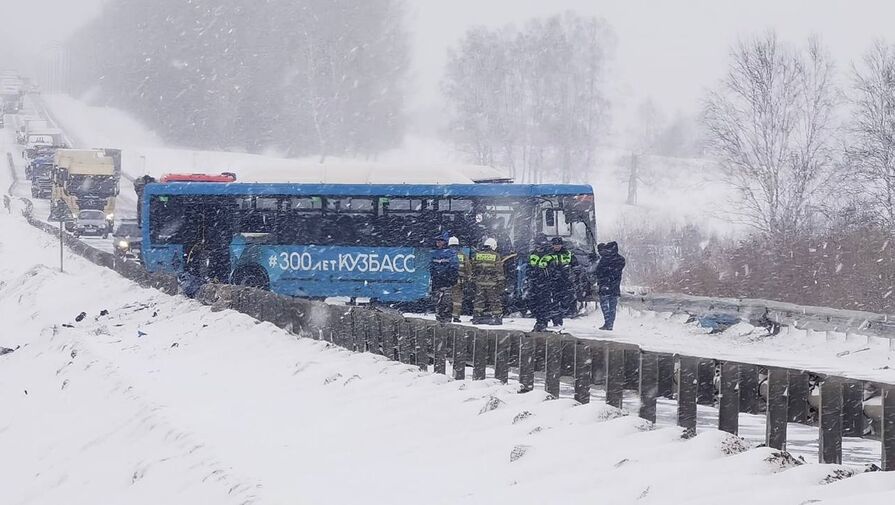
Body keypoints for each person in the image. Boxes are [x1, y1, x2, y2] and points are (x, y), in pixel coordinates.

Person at [471, 237, 504, 325]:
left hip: (480, 281)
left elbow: (473, 268)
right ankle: (497, 317)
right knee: (494, 300)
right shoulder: (495, 255)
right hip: (491, 282)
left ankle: (477, 317)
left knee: (479, 300)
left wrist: (473, 279)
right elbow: (499, 270)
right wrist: (501, 282)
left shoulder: (478, 255)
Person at [595, 241, 626, 330]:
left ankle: (608, 323)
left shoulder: (608, 259)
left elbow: (600, 271)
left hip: (608, 285)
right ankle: (609, 323)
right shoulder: (619, 259)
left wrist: (604, 278)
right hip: (613, 285)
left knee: (607, 305)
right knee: (611, 306)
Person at [430, 232, 459, 323]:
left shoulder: (451, 253)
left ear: (445, 242)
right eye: (437, 241)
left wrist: (451, 277)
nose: (438, 243)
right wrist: (434, 276)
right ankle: (439, 317)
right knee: (437, 300)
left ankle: (446, 319)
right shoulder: (434, 253)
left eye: (440, 241)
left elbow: (454, 266)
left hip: (447, 280)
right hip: (438, 280)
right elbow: (431, 267)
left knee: (446, 300)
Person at [549, 237, 579, 318]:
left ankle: (567, 311)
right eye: (555, 245)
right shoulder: (549, 255)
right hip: (553, 280)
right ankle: (556, 315)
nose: (557, 247)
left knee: (568, 297)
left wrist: (575, 274)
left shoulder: (568, 254)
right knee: (554, 298)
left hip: (566, 279)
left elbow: (575, 265)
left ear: (561, 245)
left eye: (558, 245)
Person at [448, 236, 471, 322]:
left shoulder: (445, 254)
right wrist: (468, 279)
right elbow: (468, 268)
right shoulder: (462, 255)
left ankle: (445, 315)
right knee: (457, 299)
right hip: (459, 281)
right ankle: (456, 317)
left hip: (446, 280)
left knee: (446, 298)